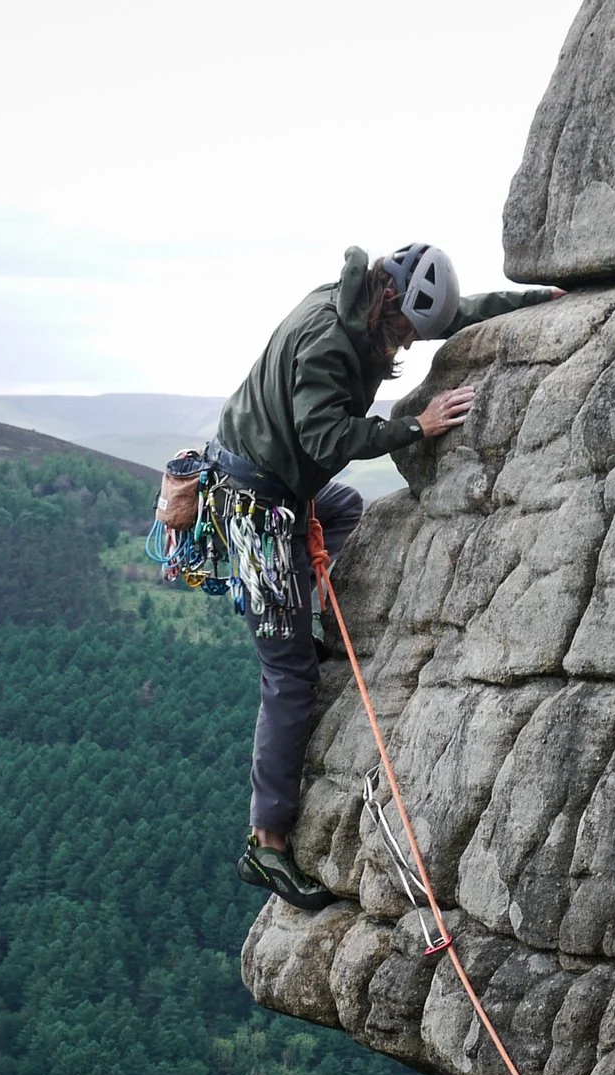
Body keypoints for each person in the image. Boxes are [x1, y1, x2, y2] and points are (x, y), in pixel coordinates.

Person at [212, 243, 556, 911]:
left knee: (345, 512)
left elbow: (459, 315)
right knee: (289, 676)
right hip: (254, 503)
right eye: (404, 333)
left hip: (284, 488)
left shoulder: (362, 305)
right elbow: (325, 439)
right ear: (390, 305)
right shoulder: (330, 344)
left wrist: (541, 300)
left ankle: (304, 616)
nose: (406, 346)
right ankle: (266, 840)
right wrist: (412, 427)